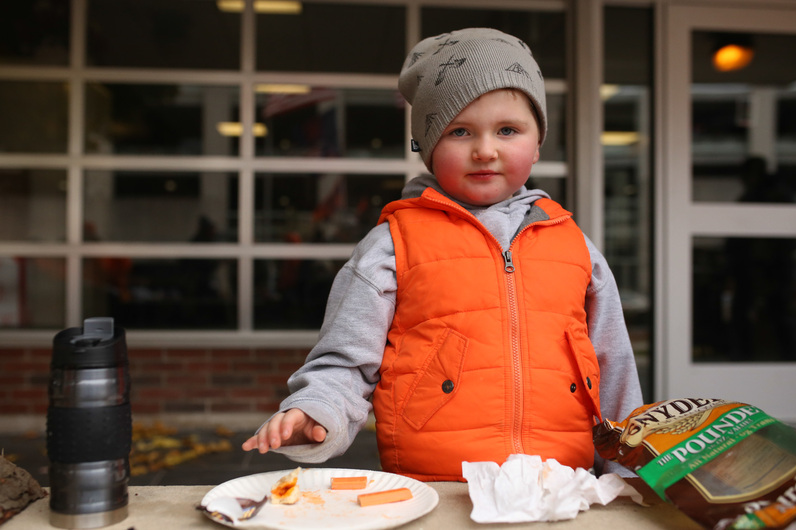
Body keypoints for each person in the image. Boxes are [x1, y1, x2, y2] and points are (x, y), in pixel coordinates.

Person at [242, 28, 643, 481]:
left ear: (537, 144)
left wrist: (629, 469)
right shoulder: (392, 244)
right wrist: (317, 411)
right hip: (440, 487)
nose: (485, 149)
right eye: (460, 131)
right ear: (429, 148)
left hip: (562, 486)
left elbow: (614, 368)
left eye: (508, 130)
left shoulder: (573, 245)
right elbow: (346, 361)